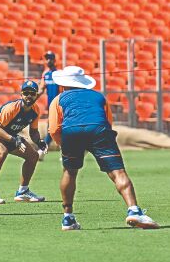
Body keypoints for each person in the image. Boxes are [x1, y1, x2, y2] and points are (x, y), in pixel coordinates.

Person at [48, 66, 160, 230]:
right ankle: (134, 210)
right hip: (99, 130)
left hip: (71, 132)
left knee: (69, 172)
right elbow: (107, 122)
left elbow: (53, 129)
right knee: (118, 172)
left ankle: (68, 218)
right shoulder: (99, 97)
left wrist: (64, 145)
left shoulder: (58, 99)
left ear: (63, 85)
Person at [0, 80, 48, 204]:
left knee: (33, 156)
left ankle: (23, 191)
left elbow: (33, 132)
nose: (29, 96)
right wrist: (14, 139)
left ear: (36, 95)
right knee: (1, 152)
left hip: (9, 134)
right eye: (26, 93)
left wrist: (39, 141)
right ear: (21, 94)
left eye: (32, 93)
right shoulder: (12, 108)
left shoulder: (36, 110)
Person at [37, 51, 59, 161]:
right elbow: (41, 89)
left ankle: (41, 151)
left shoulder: (59, 74)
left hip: (61, 107)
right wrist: (33, 98)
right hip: (51, 108)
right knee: (51, 130)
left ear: (54, 60)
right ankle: (42, 151)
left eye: (50, 58)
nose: (48, 60)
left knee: (60, 130)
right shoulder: (45, 75)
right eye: (47, 58)